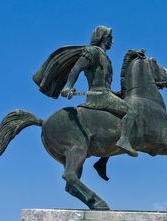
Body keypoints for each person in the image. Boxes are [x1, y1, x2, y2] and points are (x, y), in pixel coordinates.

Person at [59, 25, 138, 157]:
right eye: (110, 37)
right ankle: (124, 140)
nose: (112, 41)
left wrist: (116, 93)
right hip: (99, 96)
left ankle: (104, 159)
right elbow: (76, 68)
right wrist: (68, 85)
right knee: (131, 111)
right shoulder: (92, 52)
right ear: (102, 37)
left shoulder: (105, 57)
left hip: (106, 93)